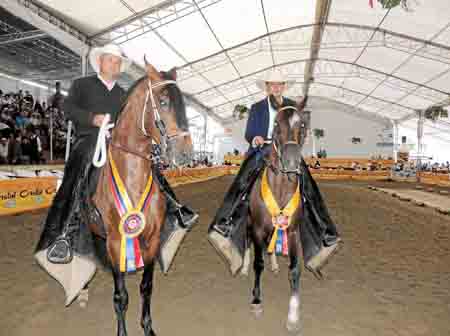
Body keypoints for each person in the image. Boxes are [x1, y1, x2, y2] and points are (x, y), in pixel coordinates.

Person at [34, 43, 197, 306]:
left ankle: (173, 207)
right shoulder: (82, 85)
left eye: (119, 62)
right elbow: (68, 109)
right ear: (101, 62)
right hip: (89, 139)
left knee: (150, 164)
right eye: (113, 61)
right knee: (83, 163)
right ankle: (68, 228)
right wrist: (92, 119)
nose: (117, 65)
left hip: (119, 144)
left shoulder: (124, 92)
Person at [208, 68, 340, 275]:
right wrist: (255, 138)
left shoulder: (292, 106)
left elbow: (300, 129)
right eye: (272, 84)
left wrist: (295, 142)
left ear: (284, 87)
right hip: (262, 150)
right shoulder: (257, 107)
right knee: (242, 181)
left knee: (309, 185)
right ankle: (225, 222)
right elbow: (249, 132)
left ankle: (325, 231)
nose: (276, 87)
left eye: (279, 84)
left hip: (286, 150)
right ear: (267, 87)